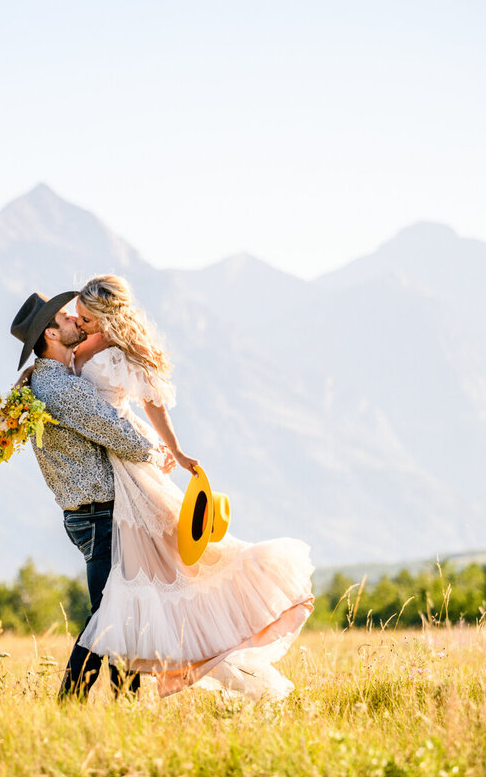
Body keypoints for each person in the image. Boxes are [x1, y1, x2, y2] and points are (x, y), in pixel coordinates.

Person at [70, 274, 315, 700]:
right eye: (80, 315)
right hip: (101, 455)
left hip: (126, 454)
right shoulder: (79, 342)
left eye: (88, 316)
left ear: (107, 316)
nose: (81, 321)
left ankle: (119, 687)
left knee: (152, 567)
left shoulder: (119, 352)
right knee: (133, 580)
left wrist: (177, 452)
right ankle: (121, 690)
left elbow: (152, 403)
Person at [9, 290, 175, 700]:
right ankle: (70, 701)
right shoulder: (62, 390)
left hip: (92, 513)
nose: (75, 322)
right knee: (109, 613)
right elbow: (117, 433)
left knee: (122, 609)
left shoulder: (49, 380)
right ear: (50, 332)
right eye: (67, 319)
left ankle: (127, 698)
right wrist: (158, 452)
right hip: (99, 515)